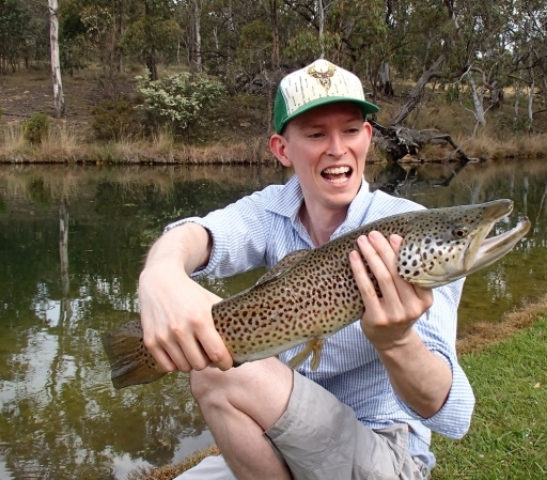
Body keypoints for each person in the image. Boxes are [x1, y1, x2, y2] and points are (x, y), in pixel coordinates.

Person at [138, 59, 475, 480]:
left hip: (385, 452)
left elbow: (451, 414)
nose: (337, 148)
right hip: (281, 442)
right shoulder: (270, 209)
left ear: (367, 138)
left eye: (350, 130)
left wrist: (397, 341)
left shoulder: (413, 234)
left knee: (213, 373)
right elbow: (202, 234)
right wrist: (161, 273)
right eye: (317, 134)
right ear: (282, 149)